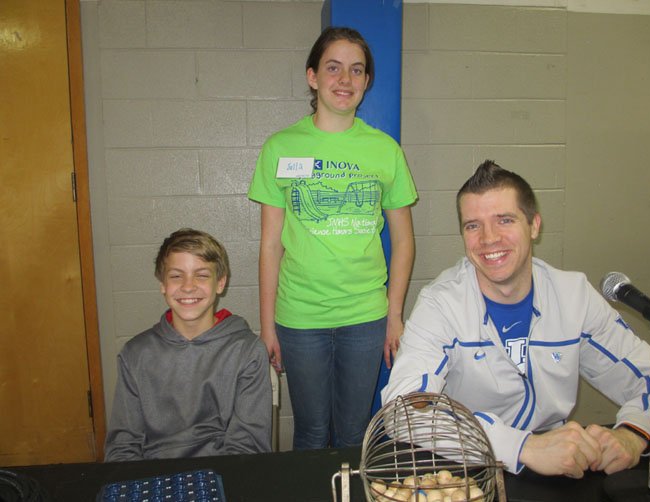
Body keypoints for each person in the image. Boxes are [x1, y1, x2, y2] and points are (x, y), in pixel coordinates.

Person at [382, 160, 650, 478]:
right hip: (469, 470)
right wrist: (522, 446)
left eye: (505, 220)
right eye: (473, 225)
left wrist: (634, 433)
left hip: (559, 472)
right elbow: (403, 410)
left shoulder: (573, 296)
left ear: (534, 225)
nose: (488, 238)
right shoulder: (442, 303)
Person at [247, 26, 417, 449]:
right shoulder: (281, 147)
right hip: (300, 317)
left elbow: (404, 241)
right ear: (313, 77)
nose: (345, 80)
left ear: (366, 81)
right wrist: (267, 326)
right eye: (334, 68)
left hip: (365, 314)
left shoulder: (385, 151)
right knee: (311, 430)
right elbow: (270, 245)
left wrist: (394, 314)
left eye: (356, 71)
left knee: (355, 431)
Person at [104, 228, 272, 461]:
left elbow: (247, 446)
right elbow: (123, 447)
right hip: (155, 477)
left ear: (220, 283)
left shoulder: (247, 351)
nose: (188, 286)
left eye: (202, 275)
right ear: (162, 284)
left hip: (222, 473)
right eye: (176, 276)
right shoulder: (135, 354)